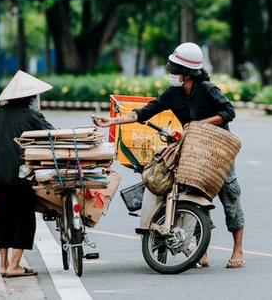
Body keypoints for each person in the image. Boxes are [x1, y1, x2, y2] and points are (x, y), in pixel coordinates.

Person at [93, 42, 245, 269]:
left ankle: (237, 250)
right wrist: (112, 121)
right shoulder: (172, 94)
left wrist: (198, 125)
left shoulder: (206, 89)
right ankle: (202, 251)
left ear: (187, 73)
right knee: (194, 196)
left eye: (175, 70)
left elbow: (228, 112)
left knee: (229, 198)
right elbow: (145, 112)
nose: (171, 74)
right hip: (192, 150)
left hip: (217, 151)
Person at [0, 70, 56, 277]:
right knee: (23, 220)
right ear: (27, 97)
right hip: (23, 176)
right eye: (32, 96)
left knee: (3, 218)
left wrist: (2, 150)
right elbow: (53, 136)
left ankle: (4, 265)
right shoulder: (33, 116)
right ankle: (15, 266)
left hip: (0, 176)